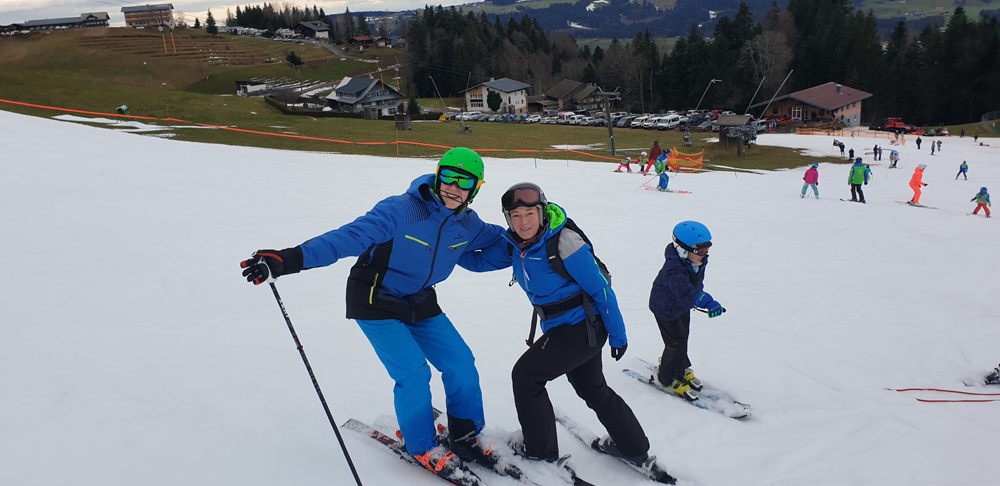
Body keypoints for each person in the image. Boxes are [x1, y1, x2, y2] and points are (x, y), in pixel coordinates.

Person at [239, 148, 504, 474]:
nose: (453, 187)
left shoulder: (468, 224)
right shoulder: (401, 209)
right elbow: (347, 238)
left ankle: (465, 436)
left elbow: (507, 241)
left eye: (464, 182)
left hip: (419, 299)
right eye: (448, 177)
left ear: (475, 189)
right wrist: (288, 260)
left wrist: (542, 240)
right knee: (413, 372)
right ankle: (422, 446)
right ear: (438, 176)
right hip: (374, 297)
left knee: (460, 361)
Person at [459, 183, 661, 475]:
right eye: (515, 216)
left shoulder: (564, 243)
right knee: (591, 388)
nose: (523, 222)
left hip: (581, 328)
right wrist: (447, 250)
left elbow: (601, 290)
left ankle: (540, 453)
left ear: (542, 212)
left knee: (526, 377)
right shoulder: (516, 245)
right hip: (568, 328)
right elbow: (479, 262)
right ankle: (634, 448)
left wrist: (618, 335)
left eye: (530, 213)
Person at [649, 221, 724, 400]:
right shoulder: (672, 269)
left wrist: (697, 299)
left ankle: (680, 368)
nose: (704, 255)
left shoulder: (696, 261)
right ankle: (665, 377)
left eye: (707, 250)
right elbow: (684, 289)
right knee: (674, 343)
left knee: (683, 337)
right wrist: (705, 300)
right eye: (701, 251)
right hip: (666, 308)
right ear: (682, 250)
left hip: (682, 306)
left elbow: (695, 284)